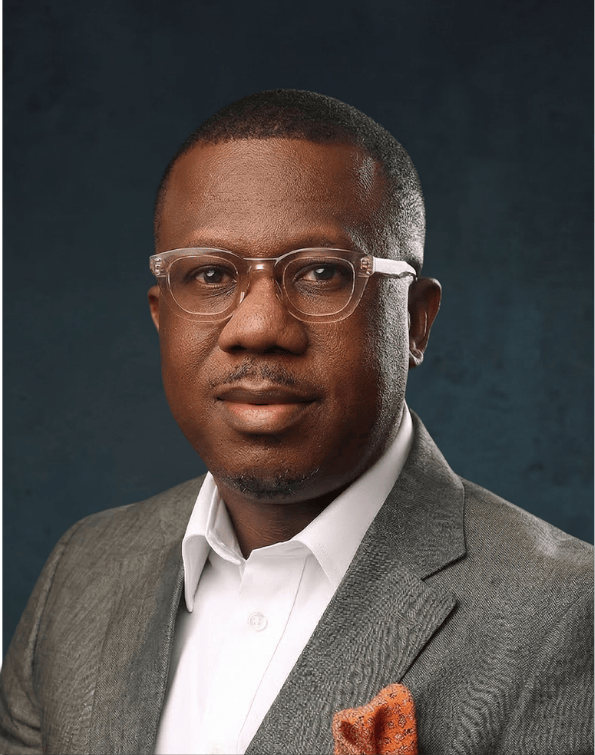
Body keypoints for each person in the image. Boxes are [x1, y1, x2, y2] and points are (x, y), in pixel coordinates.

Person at [1, 89, 592, 755]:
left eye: (319, 273)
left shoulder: (567, 618)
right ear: (161, 318)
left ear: (415, 321)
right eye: (210, 275)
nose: (257, 327)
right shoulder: (81, 569)